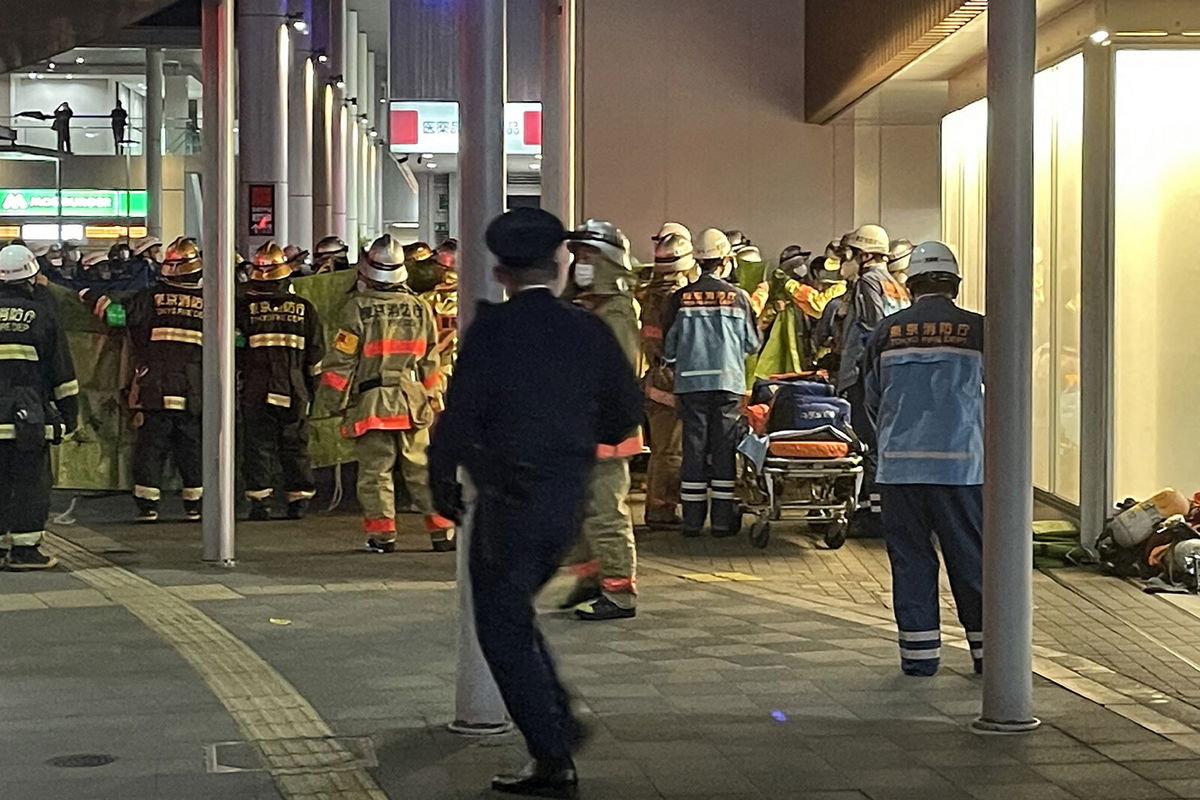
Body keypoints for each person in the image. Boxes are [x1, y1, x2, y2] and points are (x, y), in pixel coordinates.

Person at [428, 207, 641, 799]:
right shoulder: (589, 329)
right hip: (567, 500)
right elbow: (626, 411)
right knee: (514, 616)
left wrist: (442, 478)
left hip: (508, 500)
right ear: (559, 264)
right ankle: (556, 721)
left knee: (500, 625)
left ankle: (552, 753)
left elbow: (460, 411)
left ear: (500, 272)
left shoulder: (492, 331)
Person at [863, 241, 983, 677]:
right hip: (963, 467)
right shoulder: (980, 330)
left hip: (900, 469)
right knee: (970, 559)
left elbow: (871, 400)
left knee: (911, 560)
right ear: (955, 283)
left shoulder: (885, 333)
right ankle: (988, 655)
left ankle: (919, 657)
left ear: (909, 285)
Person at [315, 233, 455, 552]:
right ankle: (442, 532)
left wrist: (331, 403)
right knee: (420, 469)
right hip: (413, 400)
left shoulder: (356, 309)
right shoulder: (419, 307)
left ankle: (383, 536)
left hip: (373, 403)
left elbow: (341, 364)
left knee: (376, 473)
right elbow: (431, 360)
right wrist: (433, 400)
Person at [562, 219, 642, 621]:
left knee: (606, 512)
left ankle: (619, 593)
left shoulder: (617, 312)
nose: (580, 263)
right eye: (577, 256)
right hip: (579, 428)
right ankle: (591, 580)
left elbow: (617, 377)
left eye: (589, 257)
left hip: (605, 431)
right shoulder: (580, 309)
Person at [663, 229, 759, 538]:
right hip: (729, 384)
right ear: (726, 261)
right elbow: (752, 343)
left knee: (693, 449)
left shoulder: (679, 298)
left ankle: (692, 521)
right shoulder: (740, 298)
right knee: (723, 450)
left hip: (690, 387)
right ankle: (721, 521)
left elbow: (669, 349)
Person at [102, 238, 206, 522]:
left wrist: (88, 296)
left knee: (150, 447)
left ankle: (148, 505)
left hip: (154, 386)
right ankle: (194, 504)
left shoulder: (149, 297)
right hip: (194, 388)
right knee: (192, 448)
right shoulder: (211, 301)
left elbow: (118, 317)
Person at [0, 244, 78, 570]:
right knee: (30, 484)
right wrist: (70, 416)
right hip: (26, 418)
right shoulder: (42, 315)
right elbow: (61, 372)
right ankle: (25, 551)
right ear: (31, 278)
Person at [237, 242, 325, 521]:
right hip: (294, 386)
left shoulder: (243, 308)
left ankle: (260, 502)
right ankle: (298, 499)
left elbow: (234, 351)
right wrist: (312, 391)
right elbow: (316, 355)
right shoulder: (304, 308)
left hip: (256, 388)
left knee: (258, 444)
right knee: (294, 443)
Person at [837, 224, 910, 538]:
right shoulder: (894, 284)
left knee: (867, 443)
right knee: (882, 443)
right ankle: (878, 509)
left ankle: (873, 515)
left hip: (865, 375)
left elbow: (872, 327)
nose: (846, 260)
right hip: (890, 375)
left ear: (865, 255)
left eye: (850, 253)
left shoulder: (868, 282)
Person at [638, 232, 694, 529]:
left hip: (656, 377)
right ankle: (661, 511)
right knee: (670, 452)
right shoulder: (677, 297)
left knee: (662, 451)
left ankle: (659, 506)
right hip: (670, 381)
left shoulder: (650, 293)